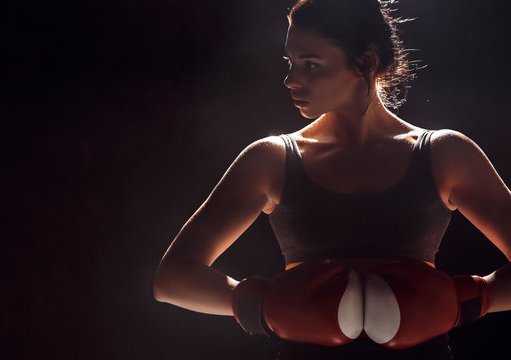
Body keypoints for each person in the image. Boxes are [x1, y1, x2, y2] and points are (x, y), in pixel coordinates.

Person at [154, 0, 511, 358]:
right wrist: (262, 307)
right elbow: (172, 279)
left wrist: (469, 299)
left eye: (311, 65)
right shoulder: (272, 160)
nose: (291, 79)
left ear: (366, 63)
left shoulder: (444, 154)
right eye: (290, 63)